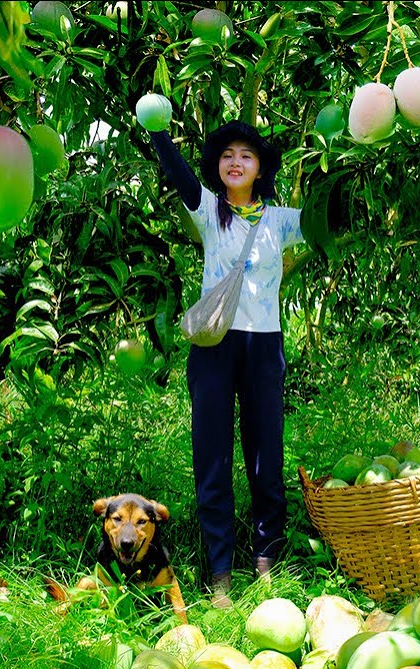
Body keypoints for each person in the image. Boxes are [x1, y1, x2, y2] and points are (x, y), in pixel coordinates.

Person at [144, 117, 304, 608]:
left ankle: (265, 560)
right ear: (219, 166)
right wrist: (157, 131)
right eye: (228, 155)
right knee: (212, 456)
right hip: (214, 347)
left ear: (260, 169)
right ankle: (220, 575)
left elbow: (330, 214)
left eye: (247, 156)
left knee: (266, 456)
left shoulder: (282, 220)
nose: (236, 162)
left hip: (264, 345)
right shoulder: (209, 211)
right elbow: (177, 174)